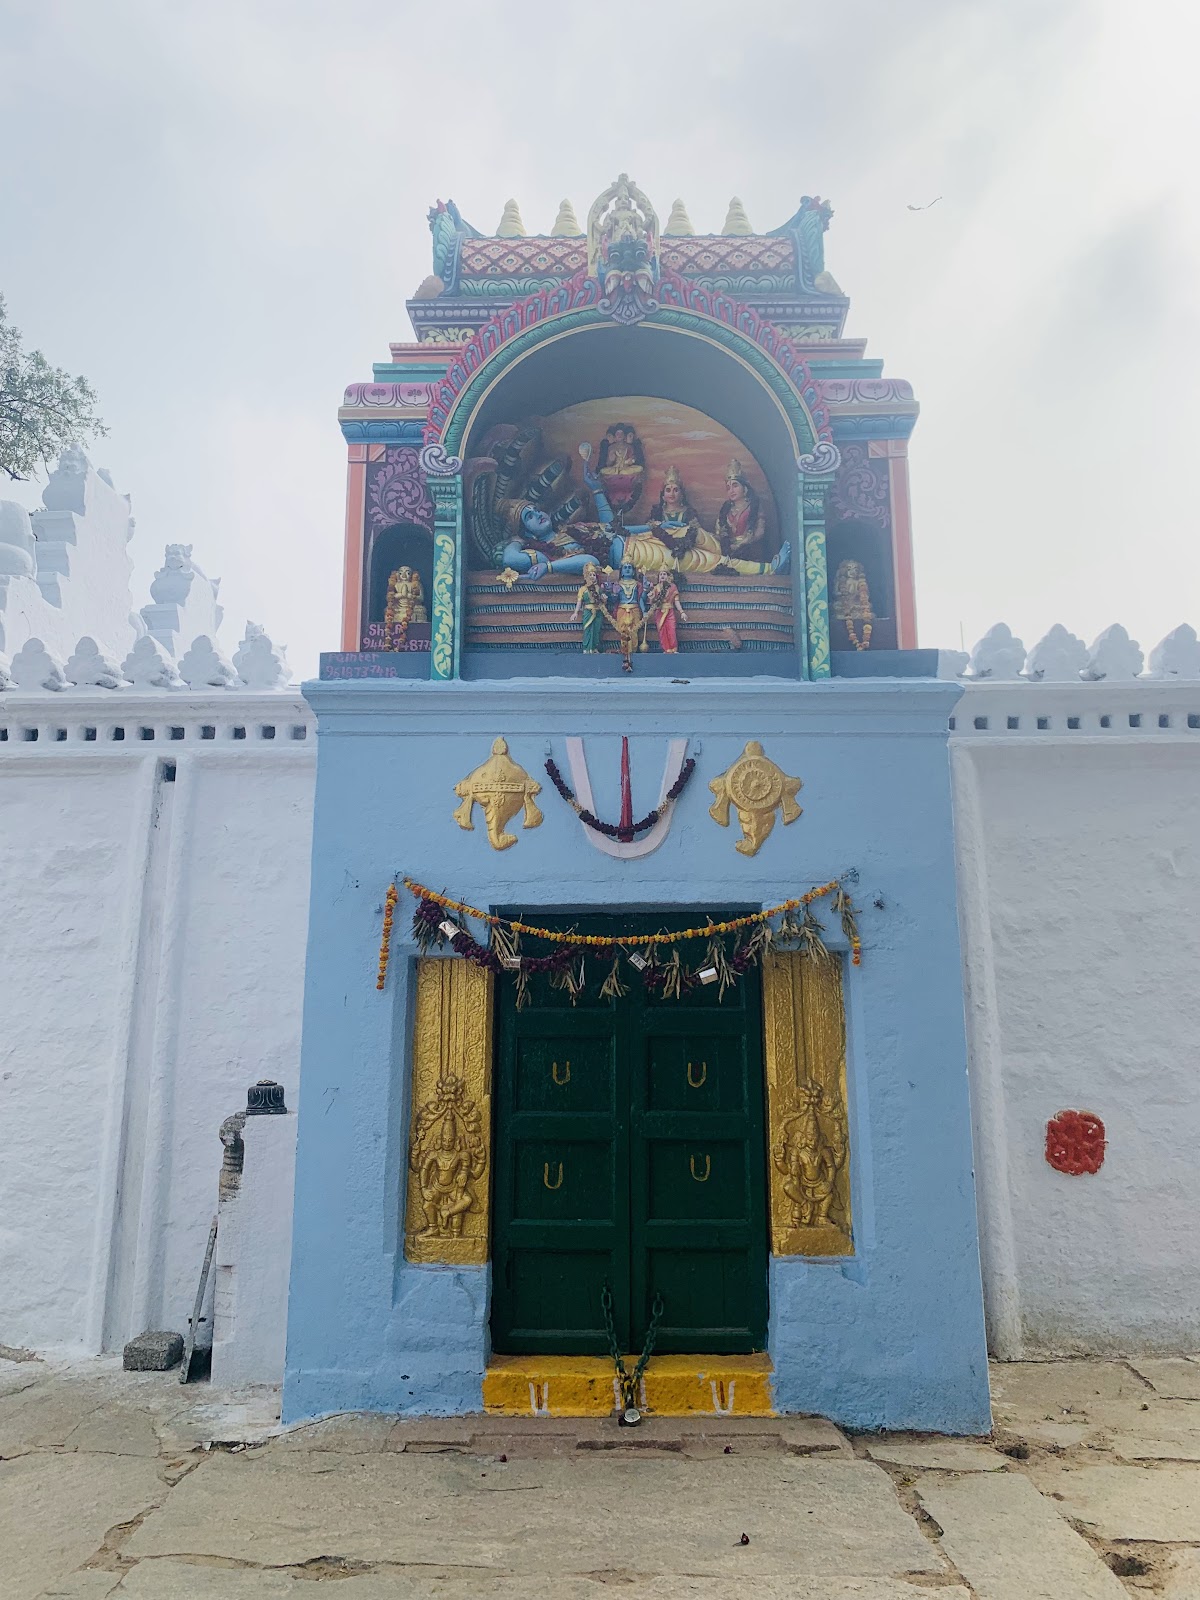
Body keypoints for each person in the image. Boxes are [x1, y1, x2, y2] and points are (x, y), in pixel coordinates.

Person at [715, 459, 768, 561]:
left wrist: (743, 543)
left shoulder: (754, 507)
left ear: (745, 488)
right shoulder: (726, 510)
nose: (731, 491)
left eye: (735, 486)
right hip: (727, 550)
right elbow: (719, 532)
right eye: (728, 487)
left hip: (749, 549)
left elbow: (760, 532)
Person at [569, 561, 610, 653]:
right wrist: (575, 612)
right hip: (588, 611)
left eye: (594, 575)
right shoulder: (583, 589)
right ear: (586, 576)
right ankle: (587, 648)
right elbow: (579, 601)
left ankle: (594, 648)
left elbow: (603, 601)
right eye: (590, 575)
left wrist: (605, 599)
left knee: (596, 630)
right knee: (588, 630)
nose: (592, 576)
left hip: (598, 611)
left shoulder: (599, 588)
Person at [645, 571, 687, 653]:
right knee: (662, 631)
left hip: (670, 611)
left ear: (668, 576)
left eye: (664, 574)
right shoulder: (656, 588)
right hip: (659, 612)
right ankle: (666, 649)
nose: (662, 576)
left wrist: (682, 612)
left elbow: (676, 601)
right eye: (660, 574)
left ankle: (674, 649)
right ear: (658, 577)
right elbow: (652, 602)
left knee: (671, 630)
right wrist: (651, 597)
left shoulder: (673, 587)